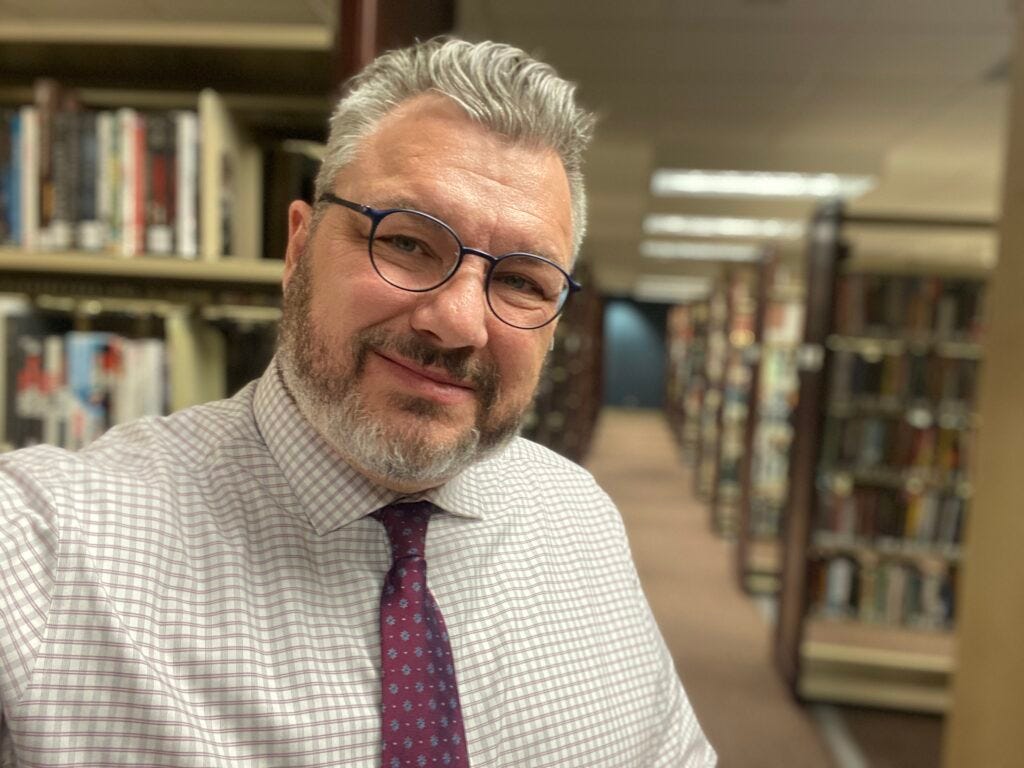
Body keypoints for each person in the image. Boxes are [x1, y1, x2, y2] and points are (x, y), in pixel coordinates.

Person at [0, 37, 716, 767]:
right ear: (297, 250)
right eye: (407, 243)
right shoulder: (45, 555)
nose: (459, 322)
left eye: (523, 283)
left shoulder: (580, 519)